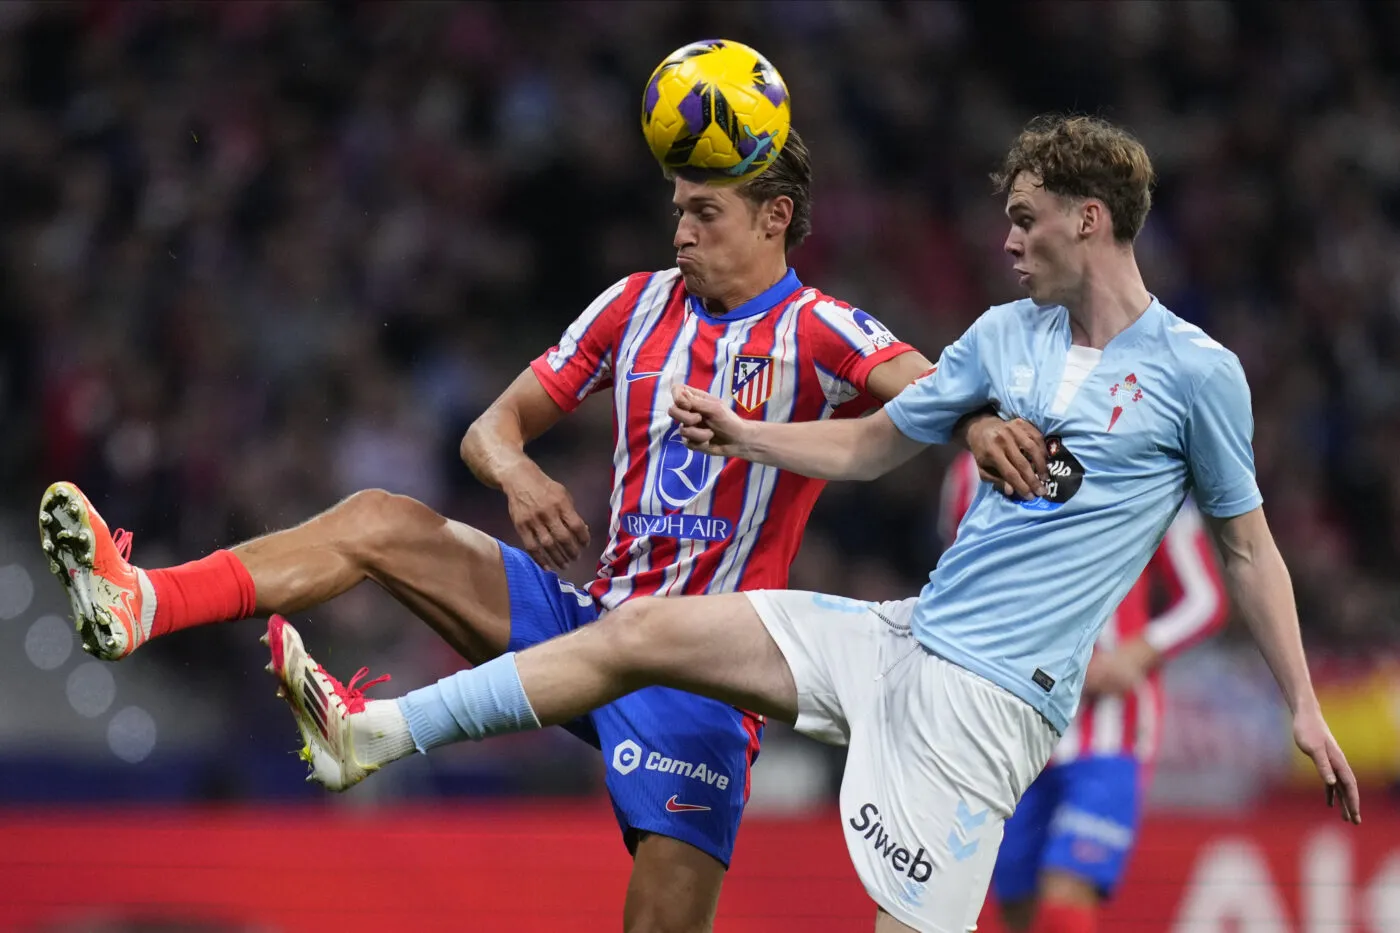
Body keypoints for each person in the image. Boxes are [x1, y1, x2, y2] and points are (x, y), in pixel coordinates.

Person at [259, 114, 1361, 933]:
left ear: (1089, 218)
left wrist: (1302, 705)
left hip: (990, 707)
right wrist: (748, 435)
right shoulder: (1002, 335)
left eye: (1024, 220)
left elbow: (1246, 548)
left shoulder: (1195, 373)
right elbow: (873, 445)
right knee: (642, 630)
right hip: (901, 637)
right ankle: (372, 735)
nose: (1007, 241)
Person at [37, 129, 1043, 933]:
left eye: (705, 213)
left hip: (700, 684)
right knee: (380, 519)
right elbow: (490, 428)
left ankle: (368, 727)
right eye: (677, 211)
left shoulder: (819, 327)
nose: (681, 233)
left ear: (774, 217)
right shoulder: (634, 306)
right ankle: (144, 600)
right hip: (586, 625)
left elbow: (933, 388)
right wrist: (517, 474)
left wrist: (984, 428)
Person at [941, 451, 1228, 933]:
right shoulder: (972, 469)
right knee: (1018, 908)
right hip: (1009, 728)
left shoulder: (1146, 458)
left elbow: (1205, 596)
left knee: (1064, 900)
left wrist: (1135, 655)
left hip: (1108, 730)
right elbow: (962, 586)